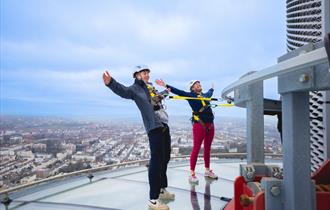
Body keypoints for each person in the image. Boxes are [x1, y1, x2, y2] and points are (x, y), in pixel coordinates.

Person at [103, 65, 173, 210]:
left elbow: (157, 99)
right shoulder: (136, 89)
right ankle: (153, 199)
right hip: (154, 127)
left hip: (164, 125)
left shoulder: (150, 88)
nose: (146, 75)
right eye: (143, 73)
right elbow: (123, 91)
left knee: (165, 158)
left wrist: (166, 92)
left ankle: (161, 189)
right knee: (156, 160)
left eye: (147, 72)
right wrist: (111, 83)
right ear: (136, 75)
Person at [156, 79, 218, 184]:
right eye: (196, 84)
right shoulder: (190, 96)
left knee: (207, 148)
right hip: (200, 124)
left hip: (210, 124)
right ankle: (192, 174)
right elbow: (178, 92)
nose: (199, 85)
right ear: (192, 88)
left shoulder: (205, 95)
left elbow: (209, 93)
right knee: (196, 148)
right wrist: (165, 85)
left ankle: (207, 171)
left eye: (199, 84)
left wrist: (212, 88)